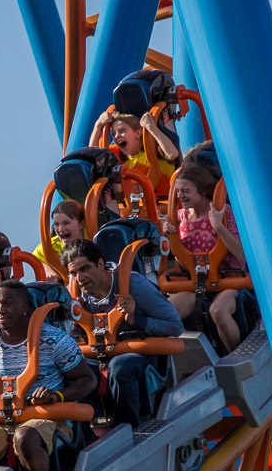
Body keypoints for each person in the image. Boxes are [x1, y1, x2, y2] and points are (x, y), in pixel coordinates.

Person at [0, 281, 97, 471]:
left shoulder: (54, 340)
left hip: (45, 416)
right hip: (0, 418)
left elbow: (88, 380)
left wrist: (57, 396)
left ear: (25, 307)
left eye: (7, 304)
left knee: (24, 438)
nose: (0, 311)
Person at [61, 239, 183, 427]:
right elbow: (74, 340)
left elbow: (174, 326)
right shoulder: (77, 295)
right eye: (73, 273)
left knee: (120, 365)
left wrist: (136, 320)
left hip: (140, 362)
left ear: (100, 264)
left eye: (85, 269)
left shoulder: (132, 284)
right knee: (70, 371)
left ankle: (128, 428)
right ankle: (84, 437)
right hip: (99, 360)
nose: (80, 278)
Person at [159, 163, 248, 352]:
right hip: (196, 283)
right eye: (178, 191)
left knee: (218, 311)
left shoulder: (221, 211)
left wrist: (218, 227)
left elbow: (240, 253)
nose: (180, 196)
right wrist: (170, 237)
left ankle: (235, 355)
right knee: (165, 313)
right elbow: (183, 263)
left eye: (185, 191)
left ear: (202, 191)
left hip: (228, 280)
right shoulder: (179, 217)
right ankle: (190, 357)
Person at [89, 110, 180, 189]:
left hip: (162, 204)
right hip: (131, 206)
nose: (116, 136)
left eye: (122, 131)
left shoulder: (153, 148)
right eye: (113, 134)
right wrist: (97, 126)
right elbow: (91, 158)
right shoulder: (116, 154)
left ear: (137, 133)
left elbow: (172, 154)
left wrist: (151, 127)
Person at [32, 200, 86, 265]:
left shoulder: (94, 236)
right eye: (56, 224)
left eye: (66, 223)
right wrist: (47, 270)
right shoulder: (52, 245)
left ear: (81, 224)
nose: (61, 229)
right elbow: (34, 258)